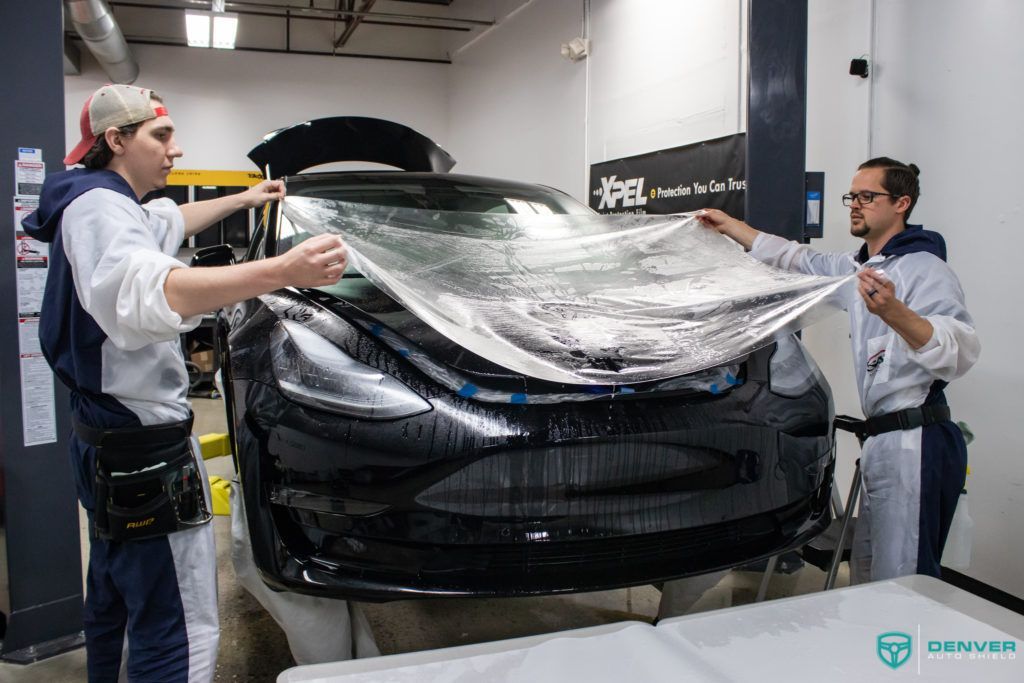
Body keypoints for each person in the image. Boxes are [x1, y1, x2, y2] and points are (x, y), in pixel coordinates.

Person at [22, 84, 349, 681]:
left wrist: (245, 198)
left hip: (108, 438)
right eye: (161, 136)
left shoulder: (103, 201)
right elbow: (156, 291)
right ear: (116, 140)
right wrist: (284, 271)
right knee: (179, 621)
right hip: (141, 445)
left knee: (117, 593)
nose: (175, 150)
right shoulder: (100, 207)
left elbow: (167, 221)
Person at [693, 157, 979, 585]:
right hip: (883, 439)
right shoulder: (859, 268)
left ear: (902, 203)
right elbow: (797, 258)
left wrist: (896, 313)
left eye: (868, 196)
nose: (855, 205)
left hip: (917, 442)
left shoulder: (925, 270)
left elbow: (960, 351)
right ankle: (870, 648)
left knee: (903, 576)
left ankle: (898, 648)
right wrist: (730, 225)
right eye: (852, 196)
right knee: (869, 569)